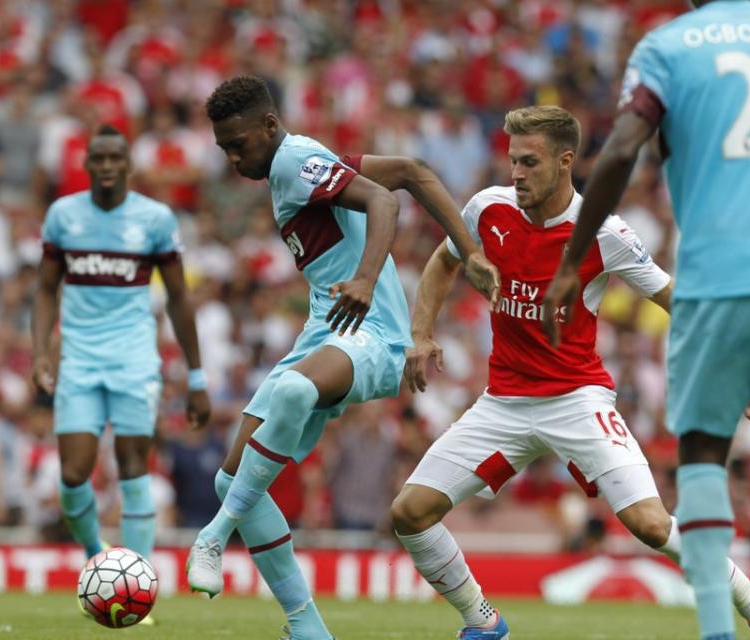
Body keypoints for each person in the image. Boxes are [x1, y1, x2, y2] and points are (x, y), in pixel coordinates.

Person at [394, 105, 750, 640]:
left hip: (578, 399)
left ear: (565, 161)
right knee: (410, 513)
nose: (516, 174)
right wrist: (422, 333)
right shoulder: (487, 209)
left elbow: (676, 299)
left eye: (530, 162)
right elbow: (444, 262)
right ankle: (483, 622)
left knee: (650, 525)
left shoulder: (604, 233)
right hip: (503, 402)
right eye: (512, 161)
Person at [542, 3, 750, 640]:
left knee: (701, 451)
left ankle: (719, 633)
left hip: (716, 276)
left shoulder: (668, 47)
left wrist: (573, 258)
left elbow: (619, 154)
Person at [185, 75, 499, 640]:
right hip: (325, 332)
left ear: (270, 127)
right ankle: (308, 628)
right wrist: (470, 252)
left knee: (291, 394)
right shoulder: (302, 162)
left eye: (240, 144)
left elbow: (382, 202)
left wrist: (366, 278)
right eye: (224, 148)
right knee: (230, 475)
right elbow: (409, 173)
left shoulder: (293, 160)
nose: (233, 158)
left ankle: (215, 534)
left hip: (370, 332)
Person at [32, 124, 211, 627]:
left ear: (128, 165)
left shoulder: (153, 219)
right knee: (72, 474)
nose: (107, 166)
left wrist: (196, 378)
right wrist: (41, 352)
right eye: (99, 158)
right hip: (81, 361)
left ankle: (139, 587)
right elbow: (45, 289)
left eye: (116, 158)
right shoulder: (63, 216)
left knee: (135, 468)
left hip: (135, 360)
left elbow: (178, 297)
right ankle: (99, 555)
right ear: (87, 164)